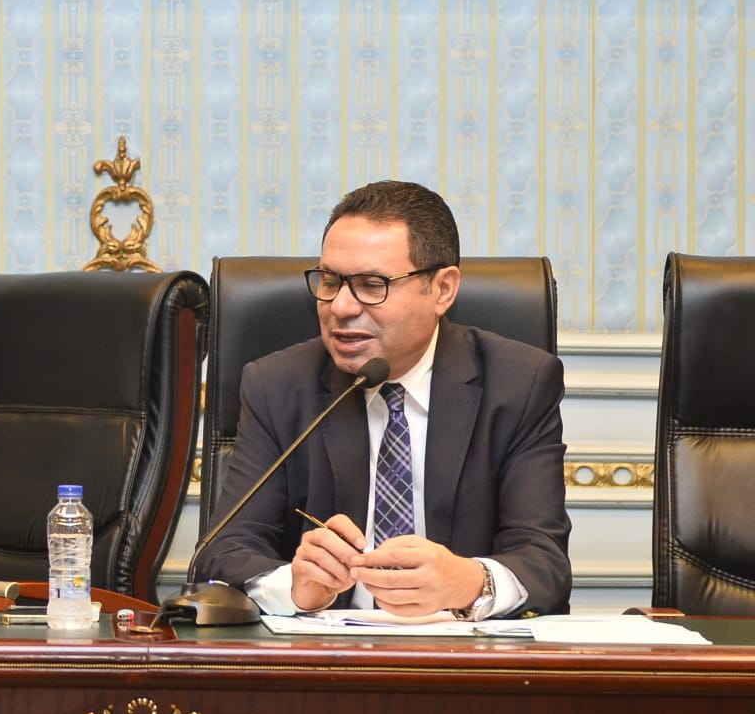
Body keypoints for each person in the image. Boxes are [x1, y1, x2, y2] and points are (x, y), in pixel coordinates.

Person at [191, 180, 571, 618]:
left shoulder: (518, 384)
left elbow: (544, 562)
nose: (341, 307)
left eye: (372, 285)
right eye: (330, 281)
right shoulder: (277, 386)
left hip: (462, 651)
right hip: (327, 652)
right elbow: (223, 551)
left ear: (443, 290)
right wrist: (294, 586)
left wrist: (469, 582)